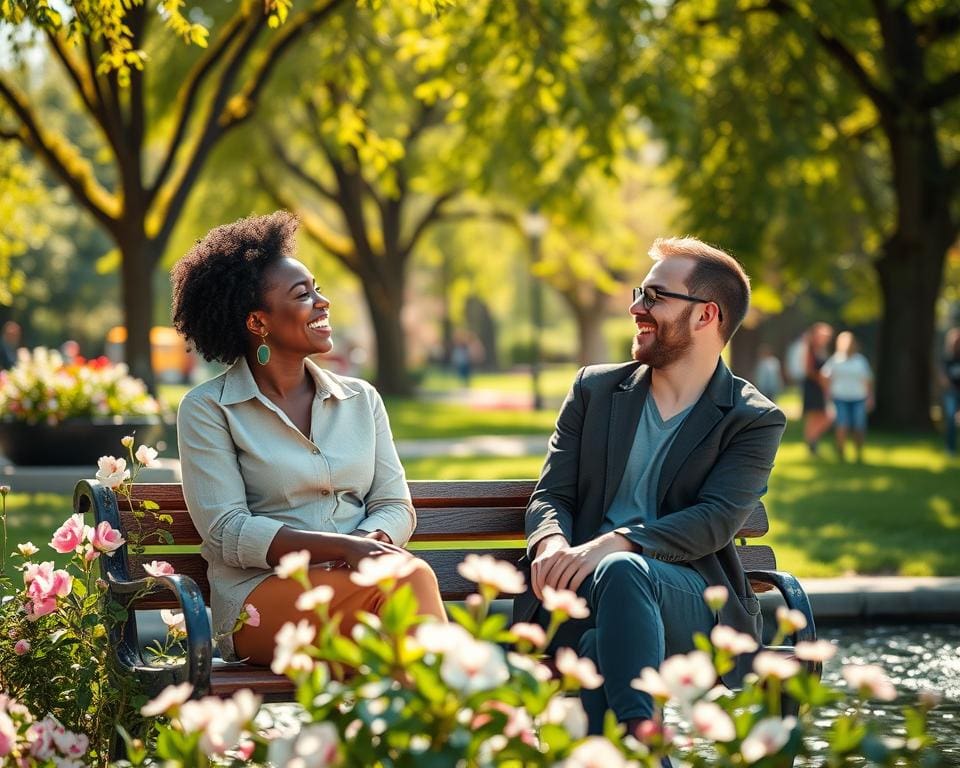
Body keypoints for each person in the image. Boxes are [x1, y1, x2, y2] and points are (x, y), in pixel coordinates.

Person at [517, 237, 785, 737]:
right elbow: (552, 495)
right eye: (640, 293)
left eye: (655, 296)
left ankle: (637, 747)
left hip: (690, 601)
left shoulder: (752, 419)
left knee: (621, 572)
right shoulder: (594, 390)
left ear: (706, 315)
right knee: (600, 644)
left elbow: (715, 520)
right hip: (577, 593)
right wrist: (551, 543)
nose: (636, 308)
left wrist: (616, 543)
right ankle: (644, 747)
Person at [170, 211, 446, 666]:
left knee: (398, 620)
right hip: (259, 602)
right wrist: (342, 548)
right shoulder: (208, 409)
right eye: (303, 295)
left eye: (317, 289)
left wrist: (365, 545)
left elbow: (395, 505)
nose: (323, 302)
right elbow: (226, 532)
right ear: (258, 322)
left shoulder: (361, 400)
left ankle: (425, 706)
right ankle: (456, 706)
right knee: (408, 584)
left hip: (363, 584)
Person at [821, 331, 873, 463]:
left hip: (858, 398)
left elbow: (867, 379)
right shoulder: (835, 360)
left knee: (859, 426)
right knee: (842, 425)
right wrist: (828, 393)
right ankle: (841, 452)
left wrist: (870, 397)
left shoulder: (860, 360)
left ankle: (858, 452)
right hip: (840, 398)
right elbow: (825, 376)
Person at [801, 322, 834, 456]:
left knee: (825, 416)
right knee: (815, 416)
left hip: (821, 387)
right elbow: (808, 370)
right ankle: (811, 444)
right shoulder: (810, 348)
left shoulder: (822, 350)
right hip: (813, 386)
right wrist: (821, 378)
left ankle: (812, 441)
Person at [941, 327, 960, 456]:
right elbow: (943, 378)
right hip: (952, 393)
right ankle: (950, 448)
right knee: (951, 418)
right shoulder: (947, 359)